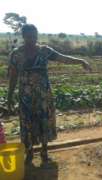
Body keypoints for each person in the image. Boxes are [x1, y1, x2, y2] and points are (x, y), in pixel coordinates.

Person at [7, 24, 91, 165]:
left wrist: (81, 61)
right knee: (27, 123)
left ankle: (44, 151)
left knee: (44, 120)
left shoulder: (44, 51)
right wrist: (9, 96)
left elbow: (63, 58)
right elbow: (13, 77)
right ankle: (29, 152)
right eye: (29, 36)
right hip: (25, 97)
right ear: (23, 36)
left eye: (35, 36)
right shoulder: (16, 54)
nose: (32, 39)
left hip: (44, 95)